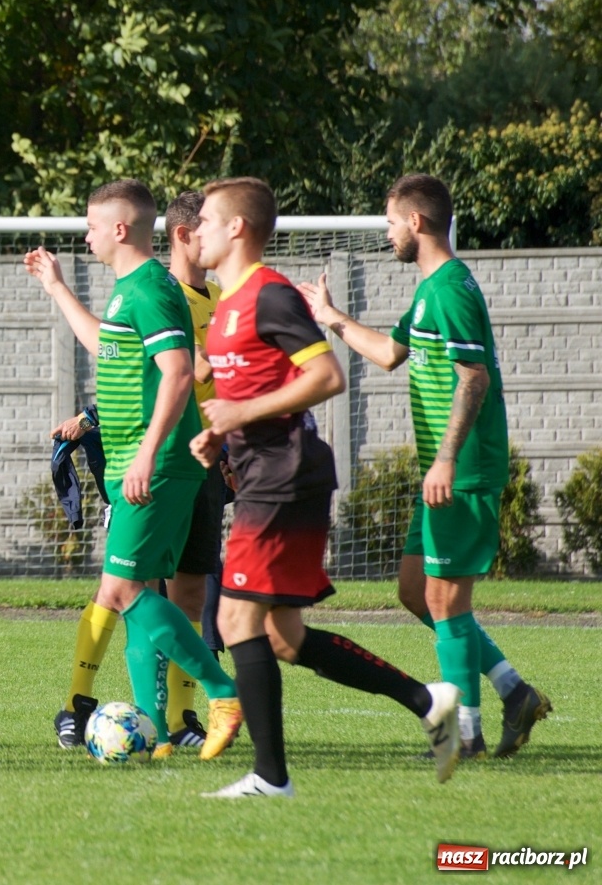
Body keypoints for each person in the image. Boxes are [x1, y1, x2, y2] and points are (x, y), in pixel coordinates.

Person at [189, 177, 462, 798]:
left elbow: (327, 375)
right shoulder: (225, 305)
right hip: (263, 474)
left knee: (235, 621)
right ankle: (428, 700)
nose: (195, 231)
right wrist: (218, 434)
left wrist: (239, 417)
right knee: (283, 638)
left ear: (237, 227)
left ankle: (270, 777)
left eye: (205, 220)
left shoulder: (268, 294)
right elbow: (250, 394)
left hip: (285, 479)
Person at [299, 173, 551, 759]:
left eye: (390, 222)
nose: (386, 233)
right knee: (416, 591)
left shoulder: (450, 290)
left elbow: (475, 377)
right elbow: (389, 354)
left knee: (445, 602)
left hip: (461, 470)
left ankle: (466, 735)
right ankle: (515, 691)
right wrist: (332, 317)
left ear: (415, 222)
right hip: (443, 471)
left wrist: (444, 458)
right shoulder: (429, 290)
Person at [23, 179, 241, 759]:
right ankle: (159, 733)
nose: (86, 235)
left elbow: (177, 373)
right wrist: (57, 289)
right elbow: (105, 343)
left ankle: (223, 690)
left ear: (119, 229)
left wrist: (146, 452)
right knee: (138, 589)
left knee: (120, 592)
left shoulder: (150, 289)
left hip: (159, 465)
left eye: (91, 226)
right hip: (131, 465)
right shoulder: (128, 293)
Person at [159, 190, 228, 748]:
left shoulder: (222, 297)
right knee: (128, 590)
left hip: (206, 463)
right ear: (184, 235)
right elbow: (189, 371)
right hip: (161, 460)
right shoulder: (160, 295)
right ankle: (78, 705)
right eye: (207, 229)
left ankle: (181, 718)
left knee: (191, 594)